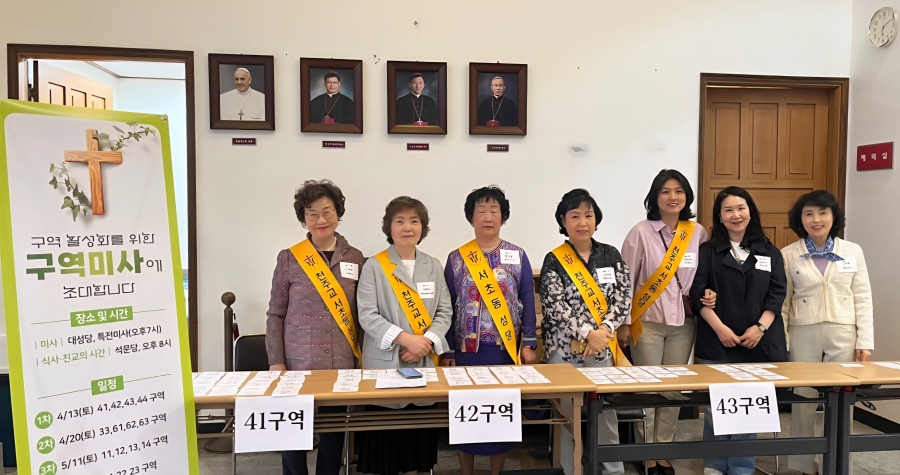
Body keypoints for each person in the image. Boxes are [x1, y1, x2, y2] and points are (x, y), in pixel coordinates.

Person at [265, 179, 365, 475]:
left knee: (334, 434)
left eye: (327, 212)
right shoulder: (289, 258)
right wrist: (276, 361)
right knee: (293, 430)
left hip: (340, 361)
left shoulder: (355, 258)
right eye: (312, 214)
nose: (321, 220)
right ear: (304, 218)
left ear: (338, 213)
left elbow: (360, 313)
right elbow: (275, 314)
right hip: (298, 363)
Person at [690, 186, 787, 475]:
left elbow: (776, 295)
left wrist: (760, 328)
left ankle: (743, 466)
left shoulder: (770, 252)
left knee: (749, 406)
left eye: (741, 208)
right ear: (719, 216)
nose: (736, 215)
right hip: (718, 339)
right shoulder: (707, 252)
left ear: (750, 212)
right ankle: (715, 463)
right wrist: (720, 329)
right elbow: (697, 293)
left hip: (759, 341)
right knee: (716, 406)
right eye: (728, 209)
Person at [618, 169, 710, 475]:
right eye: (666, 191)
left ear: (687, 197)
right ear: (655, 197)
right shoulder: (640, 232)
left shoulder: (696, 233)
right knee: (648, 388)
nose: (673, 197)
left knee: (673, 390)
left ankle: (663, 451)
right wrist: (624, 323)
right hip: (647, 322)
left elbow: (703, 275)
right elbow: (626, 281)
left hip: (684, 323)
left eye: (679, 191)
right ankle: (646, 453)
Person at [441, 186, 538, 475]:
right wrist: (448, 350)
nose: (487, 216)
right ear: (471, 217)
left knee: (500, 413)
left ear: (502, 217)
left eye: (494, 210)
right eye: (481, 211)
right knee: (466, 414)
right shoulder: (457, 258)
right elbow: (447, 305)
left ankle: (496, 472)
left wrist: (528, 343)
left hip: (504, 349)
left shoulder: (517, 255)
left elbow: (527, 299)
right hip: (466, 351)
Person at [356, 196, 452, 475]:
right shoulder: (375, 265)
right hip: (386, 362)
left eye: (414, 221)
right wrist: (407, 340)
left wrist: (425, 343)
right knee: (385, 449)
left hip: (423, 362)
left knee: (417, 446)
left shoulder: (433, 265)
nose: (407, 227)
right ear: (389, 227)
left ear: (423, 227)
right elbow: (367, 315)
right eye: (400, 221)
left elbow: (445, 311)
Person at [540, 188, 631, 475]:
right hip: (564, 349)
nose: (582, 222)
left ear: (596, 219)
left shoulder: (610, 254)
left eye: (588, 215)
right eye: (575, 216)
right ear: (563, 221)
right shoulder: (554, 259)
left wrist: (603, 330)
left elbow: (623, 297)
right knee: (568, 418)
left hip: (602, 347)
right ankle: (571, 470)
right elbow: (554, 305)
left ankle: (613, 470)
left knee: (605, 415)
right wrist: (587, 333)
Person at [783, 190, 872, 475]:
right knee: (804, 400)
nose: (816, 219)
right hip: (803, 331)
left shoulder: (852, 251)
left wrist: (865, 340)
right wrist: (783, 341)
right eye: (808, 213)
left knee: (842, 399)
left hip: (843, 330)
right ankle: (802, 464)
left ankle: (837, 463)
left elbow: (863, 297)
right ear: (800, 220)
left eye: (823, 212)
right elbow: (784, 302)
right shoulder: (788, 254)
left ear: (834, 217)